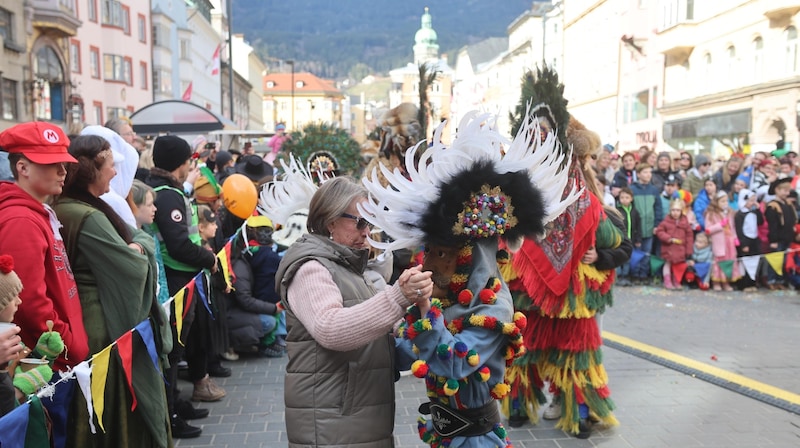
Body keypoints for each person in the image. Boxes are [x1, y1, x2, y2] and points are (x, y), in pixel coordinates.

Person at [275, 177, 433, 447]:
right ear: (330, 221)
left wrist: (420, 319)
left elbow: (375, 337)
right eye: (360, 222)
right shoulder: (310, 268)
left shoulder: (347, 267)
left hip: (355, 420)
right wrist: (397, 297)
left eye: (370, 223)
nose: (367, 232)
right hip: (333, 425)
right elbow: (330, 329)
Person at [54, 135, 171, 447]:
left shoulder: (77, 207)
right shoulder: (88, 216)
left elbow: (139, 239)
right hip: (105, 326)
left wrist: (139, 243)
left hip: (92, 320)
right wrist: (140, 245)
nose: (116, 173)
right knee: (117, 415)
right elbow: (133, 264)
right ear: (91, 170)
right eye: (110, 166)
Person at [0, 122, 90, 448]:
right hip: (43, 362)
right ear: (22, 167)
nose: (63, 170)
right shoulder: (21, 220)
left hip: (53, 358)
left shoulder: (35, 211)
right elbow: (28, 303)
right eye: (51, 163)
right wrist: (67, 346)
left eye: (63, 162)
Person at [145, 135, 219, 438]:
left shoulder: (170, 191)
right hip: (177, 278)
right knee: (173, 350)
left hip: (181, 276)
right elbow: (177, 245)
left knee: (179, 347)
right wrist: (207, 257)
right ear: (181, 163)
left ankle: (176, 403)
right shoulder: (168, 195)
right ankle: (171, 414)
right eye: (188, 159)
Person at [228, 216, 284, 357]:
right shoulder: (270, 257)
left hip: (257, 297)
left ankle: (267, 341)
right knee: (271, 319)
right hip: (265, 298)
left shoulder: (245, 253)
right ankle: (265, 343)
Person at [765, 177, 798, 290]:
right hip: (778, 238)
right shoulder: (773, 206)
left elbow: (792, 220)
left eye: (788, 191)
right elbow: (772, 226)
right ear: (777, 190)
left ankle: (780, 280)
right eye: (784, 191)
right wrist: (773, 240)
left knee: (783, 261)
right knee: (775, 260)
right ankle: (771, 280)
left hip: (787, 237)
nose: (786, 193)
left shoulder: (788, 204)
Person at [705, 191, 740, 291]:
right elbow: (708, 229)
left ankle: (726, 282)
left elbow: (732, 227)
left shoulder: (729, 213)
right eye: (722, 201)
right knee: (719, 261)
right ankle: (717, 282)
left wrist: (735, 237)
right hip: (719, 241)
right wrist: (720, 225)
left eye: (726, 201)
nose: (725, 203)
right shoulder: (711, 214)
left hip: (729, 240)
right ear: (716, 202)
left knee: (729, 261)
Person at [656, 199, 694, 290]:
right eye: (673, 210)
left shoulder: (685, 223)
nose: (675, 213)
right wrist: (668, 238)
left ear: (681, 211)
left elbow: (689, 236)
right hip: (669, 247)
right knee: (668, 264)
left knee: (678, 266)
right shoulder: (666, 222)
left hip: (680, 248)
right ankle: (667, 280)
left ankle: (677, 280)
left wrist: (689, 249)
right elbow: (659, 231)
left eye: (677, 210)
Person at [616, 187, 642, 286]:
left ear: (631, 198)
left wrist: (638, 239)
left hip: (630, 240)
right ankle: (618, 276)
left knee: (627, 258)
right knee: (618, 257)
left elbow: (638, 227)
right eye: (622, 197)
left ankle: (625, 276)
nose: (624, 199)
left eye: (627, 197)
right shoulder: (617, 211)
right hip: (619, 240)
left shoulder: (635, 212)